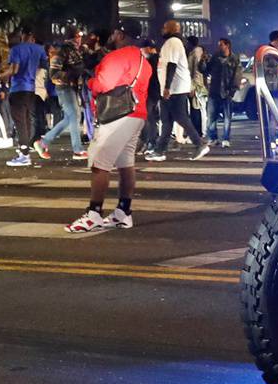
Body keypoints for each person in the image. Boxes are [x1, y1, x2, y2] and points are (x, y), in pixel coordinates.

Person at [67, 26, 152, 233]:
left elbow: (103, 84)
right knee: (126, 163)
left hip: (117, 116)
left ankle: (94, 213)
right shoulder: (143, 61)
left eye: (114, 33)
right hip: (137, 113)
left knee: (100, 163)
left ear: (121, 35)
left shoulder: (117, 57)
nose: (111, 37)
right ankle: (123, 212)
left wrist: (89, 81)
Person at [145, 20, 208, 161]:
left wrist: (167, 87)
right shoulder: (171, 42)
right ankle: (160, 151)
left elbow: (172, 65)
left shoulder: (173, 42)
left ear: (173, 29)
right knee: (166, 120)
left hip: (176, 88)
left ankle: (200, 144)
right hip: (171, 88)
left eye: (165, 27)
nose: (162, 29)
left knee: (180, 117)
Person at [37, 33, 88, 160]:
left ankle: (43, 143)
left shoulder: (75, 51)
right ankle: (77, 150)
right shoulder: (63, 51)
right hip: (65, 88)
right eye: (77, 36)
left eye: (80, 37)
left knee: (69, 119)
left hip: (71, 88)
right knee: (74, 117)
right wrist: (71, 74)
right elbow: (54, 74)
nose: (79, 39)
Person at [4, 28, 47, 167]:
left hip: (18, 89)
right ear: (32, 36)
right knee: (28, 121)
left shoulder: (16, 49)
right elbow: (44, 65)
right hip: (31, 89)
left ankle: (24, 154)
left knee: (20, 123)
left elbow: (14, 69)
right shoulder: (39, 49)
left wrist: (1, 75)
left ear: (22, 35)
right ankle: (26, 150)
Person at [205, 36, 238, 148]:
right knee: (211, 116)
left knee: (227, 117)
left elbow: (237, 75)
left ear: (227, 45)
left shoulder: (234, 59)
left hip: (227, 92)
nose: (219, 47)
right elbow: (205, 70)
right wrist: (203, 61)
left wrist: (232, 90)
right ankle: (212, 138)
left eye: (221, 44)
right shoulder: (215, 57)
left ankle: (226, 138)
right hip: (214, 91)